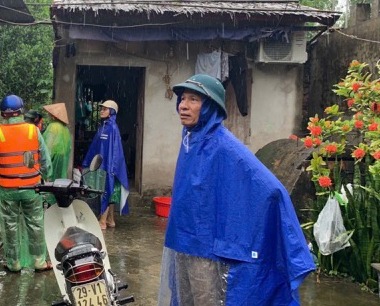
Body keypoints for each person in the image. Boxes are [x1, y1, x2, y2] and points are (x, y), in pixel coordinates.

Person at [158, 74, 315, 305]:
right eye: (182, 99)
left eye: (193, 99)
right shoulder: (190, 139)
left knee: (205, 300)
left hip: (205, 247)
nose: (183, 105)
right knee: (184, 299)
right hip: (182, 239)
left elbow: (270, 188)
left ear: (210, 106)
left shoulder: (223, 145)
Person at [0, 94, 53, 272]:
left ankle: (13, 263)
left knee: (10, 225)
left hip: (7, 189)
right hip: (32, 188)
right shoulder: (33, 130)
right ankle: (39, 261)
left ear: (3, 113)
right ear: (21, 111)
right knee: (36, 223)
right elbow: (45, 159)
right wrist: (47, 177)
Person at [82, 100, 130, 230]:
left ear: (111, 112)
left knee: (106, 191)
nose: (102, 111)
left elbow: (113, 152)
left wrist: (110, 168)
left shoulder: (112, 128)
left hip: (110, 167)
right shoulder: (103, 126)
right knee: (111, 192)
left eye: (105, 109)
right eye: (101, 108)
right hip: (103, 166)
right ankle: (110, 220)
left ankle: (102, 222)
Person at [41, 102, 72, 205]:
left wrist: (44, 168)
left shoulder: (53, 127)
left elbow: (47, 149)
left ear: (54, 116)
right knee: (58, 188)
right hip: (62, 164)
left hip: (53, 163)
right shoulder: (66, 130)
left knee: (49, 187)